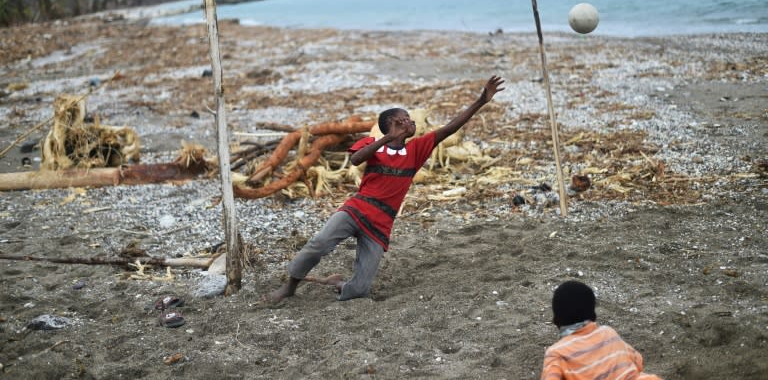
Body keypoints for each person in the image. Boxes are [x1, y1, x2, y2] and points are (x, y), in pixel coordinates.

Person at [266, 75, 505, 303]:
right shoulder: (372, 144)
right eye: (406, 118)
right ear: (393, 123)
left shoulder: (416, 150)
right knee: (319, 243)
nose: (411, 122)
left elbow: (449, 128)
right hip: (355, 210)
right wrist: (386, 138)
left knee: (359, 290)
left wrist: (480, 101)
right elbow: (357, 159)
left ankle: (339, 285)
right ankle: (290, 286)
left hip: (380, 224)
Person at [541, 280, 662, 380]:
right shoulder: (608, 333)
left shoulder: (556, 353)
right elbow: (637, 361)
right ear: (593, 314)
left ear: (556, 320)